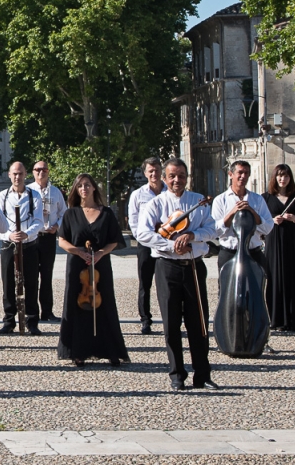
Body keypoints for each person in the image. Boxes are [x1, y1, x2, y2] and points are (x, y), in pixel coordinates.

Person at [138, 158, 219, 391]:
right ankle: (177, 375)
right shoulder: (156, 204)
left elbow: (213, 229)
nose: (176, 180)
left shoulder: (199, 201)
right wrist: (169, 244)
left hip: (193, 266)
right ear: (164, 178)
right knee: (171, 324)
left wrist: (192, 236)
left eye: (181, 175)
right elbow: (143, 233)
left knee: (199, 323)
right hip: (167, 266)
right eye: (172, 176)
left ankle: (202, 375)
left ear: (187, 177)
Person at [57, 173, 128, 367]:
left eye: (87, 185)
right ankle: (77, 351)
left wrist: (100, 254)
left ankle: (111, 350)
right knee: (75, 306)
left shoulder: (106, 213)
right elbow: (62, 240)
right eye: (80, 186)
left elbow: (115, 240)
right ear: (76, 190)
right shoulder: (71, 213)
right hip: (77, 264)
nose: (84, 189)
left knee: (106, 305)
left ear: (94, 188)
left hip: (100, 264)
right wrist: (79, 252)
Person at [211, 160, 273, 323]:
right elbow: (215, 230)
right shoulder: (221, 200)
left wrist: (252, 212)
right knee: (227, 293)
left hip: (253, 252)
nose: (243, 176)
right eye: (240, 172)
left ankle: (257, 332)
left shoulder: (257, 200)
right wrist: (231, 213)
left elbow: (267, 227)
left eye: (246, 173)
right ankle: (227, 331)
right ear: (231, 175)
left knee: (256, 293)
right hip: (229, 252)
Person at [0, 161, 44, 335]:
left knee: (31, 282)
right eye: (14, 174)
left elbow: (39, 221)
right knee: (8, 282)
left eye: (20, 173)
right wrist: (10, 235)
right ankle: (9, 321)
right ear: (9, 175)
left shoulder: (34, 196)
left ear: (25, 175)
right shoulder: (2, 196)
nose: (17, 177)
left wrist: (26, 234)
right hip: (8, 245)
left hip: (29, 245)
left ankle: (32, 321)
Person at [264, 163, 295, 331]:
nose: (283, 179)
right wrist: (272, 220)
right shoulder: (266, 197)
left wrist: (292, 218)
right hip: (274, 241)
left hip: (292, 240)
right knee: (275, 277)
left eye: (286, 176)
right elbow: (261, 221)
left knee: (294, 276)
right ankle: (277, 319)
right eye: (280, 175)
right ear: (275, 177)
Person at [127, 157, 165, 334]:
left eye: (157, 170)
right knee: (145, 282)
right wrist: (144, 239)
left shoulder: (168, 193)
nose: (154, 173)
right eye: (150, 171)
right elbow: (133, 222)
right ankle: (145, 319)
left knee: (166, 283)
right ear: (145, 173)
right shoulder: (138, 195)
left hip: (166, 243)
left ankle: (169, 318)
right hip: (146, 244)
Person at [30, 159, 66, 322]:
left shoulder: (56, 192)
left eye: (44, 169)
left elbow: (64, 213)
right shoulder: (28, 191)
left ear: (48, 171)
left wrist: (57, 226)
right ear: (33, 172)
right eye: (37, 169)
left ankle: (47, 311)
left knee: (47, 275)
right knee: (31, 276)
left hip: (48, 237)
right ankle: (32, 312)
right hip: (32, 238)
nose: (41, 172)